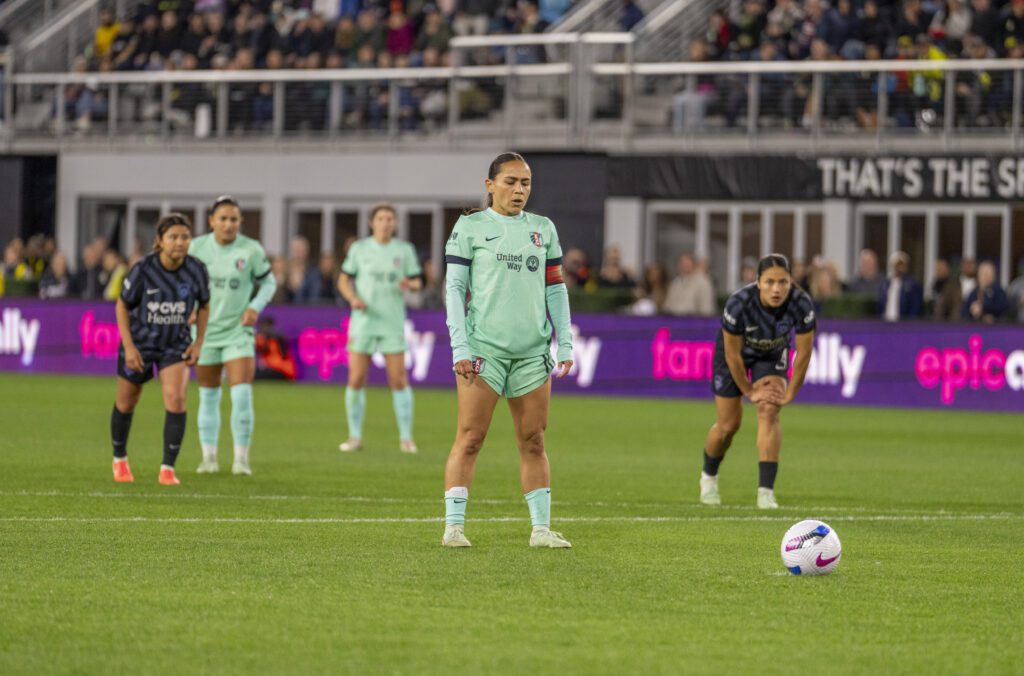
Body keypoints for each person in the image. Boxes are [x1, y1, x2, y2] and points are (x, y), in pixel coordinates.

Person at [441, 152, 574, 549]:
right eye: (511, 182)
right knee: (470, 437)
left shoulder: (543, 229)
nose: (519, 190)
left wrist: (563, 341)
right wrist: (459, 346)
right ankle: (453, 527)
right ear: (490, 186)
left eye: (526, 183)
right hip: (484, 352)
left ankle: (541, 530)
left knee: (534, 440)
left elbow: (555, 289)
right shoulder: (470, 227)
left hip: (532, 353)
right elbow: (454, 291)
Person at [699, 254, 816, 510]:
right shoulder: (738, 304)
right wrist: (749, 391)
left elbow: (804, 353)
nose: (777, 289)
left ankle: (765, 492)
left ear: (790, 282)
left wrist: (790, 394)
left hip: (772, 354)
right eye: (770, 282)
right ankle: (709, 476)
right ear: (758, 281)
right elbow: (732, 355)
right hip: (735, 357)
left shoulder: (801, 304)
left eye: (783, 282)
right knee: (729, 425)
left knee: (769, 409)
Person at [111, 213, 210, 486]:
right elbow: (122, 305)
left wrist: (198, 342)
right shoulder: (143, 269)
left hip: (174, 345)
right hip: (140, 345)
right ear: (159, 240)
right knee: (127, 402)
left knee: (177, 399)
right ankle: (119, 458)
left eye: (185, 237)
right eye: (173, 237)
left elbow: (203, 305)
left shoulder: (197, 270)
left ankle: (168, 468)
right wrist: (129, 346)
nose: (180, 242)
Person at [188, 196, 277, 475]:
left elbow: (269, 282)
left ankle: (241, 459)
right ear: (211, 221)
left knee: (241, 395)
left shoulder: (250, 250)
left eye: (234, 219)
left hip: (238, 331)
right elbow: (182, 282)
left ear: (240, 222)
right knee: (208, 395)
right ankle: (209, 458)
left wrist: (254, 307)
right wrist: (187, 307)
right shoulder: (197, 248)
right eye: (223, 219)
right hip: (204, 333)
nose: (228, 224)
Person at [337, 204, 423, 454]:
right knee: (356, 378)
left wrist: (411, 285)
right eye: (381, 218)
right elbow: (343, 279)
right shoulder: (359, 249)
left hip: (392, 321)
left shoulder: (404, 250)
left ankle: (406, 438)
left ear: (394, 223)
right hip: (364, 320)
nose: (385, 223)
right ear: (372, 222)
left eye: (389, 219)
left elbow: (418, 282)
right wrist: (352, 298)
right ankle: (354, 437)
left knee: (398, 379)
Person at [879, 251, 923, 321]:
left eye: (902, 265)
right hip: (886, 320)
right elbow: (881, 303)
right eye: (897, 265)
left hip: (903, 322)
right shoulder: (885, 284)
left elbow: (916, 306)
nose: (899, 268)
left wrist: (910, 321)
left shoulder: (912, 284)